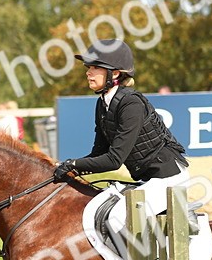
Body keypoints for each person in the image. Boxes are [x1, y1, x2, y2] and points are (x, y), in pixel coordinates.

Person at [54, 39, 191, 244]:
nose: (88, 72)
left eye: (95, 68)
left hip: (169, 179)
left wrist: (74, 164)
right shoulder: (102, 105)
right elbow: (98, 154)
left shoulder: (131, 103)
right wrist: (71, 169)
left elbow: (114, 160)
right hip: (147, 179)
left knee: (118, 217)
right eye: (88, 67)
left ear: (115, 73)